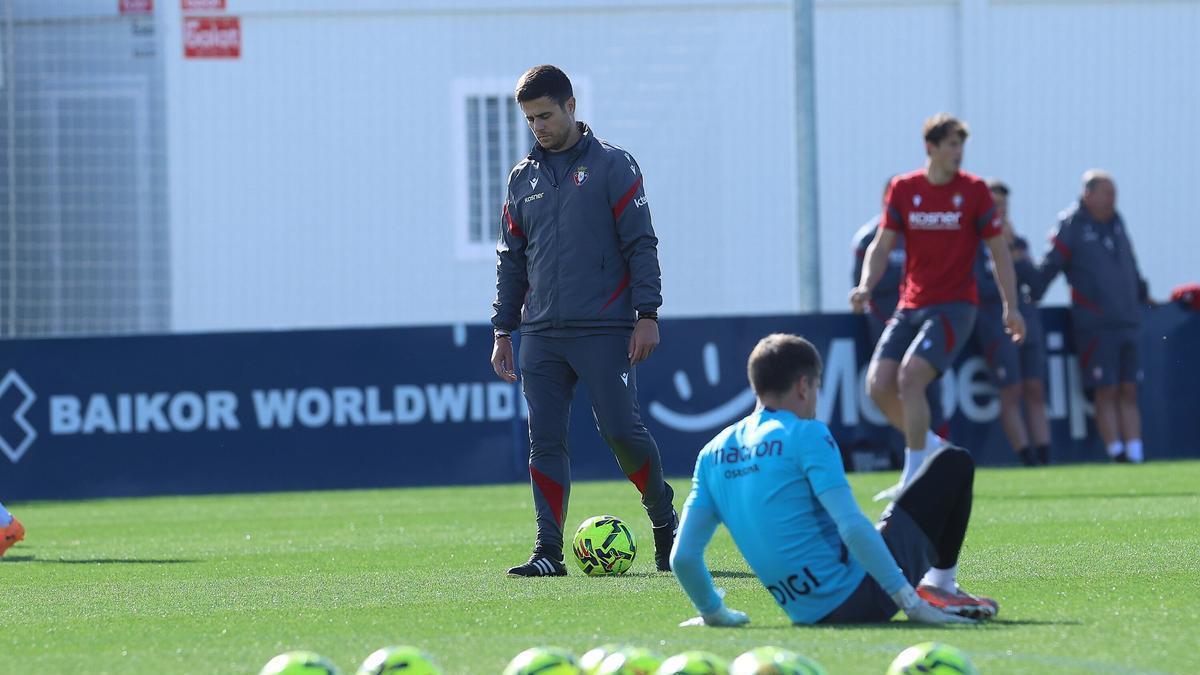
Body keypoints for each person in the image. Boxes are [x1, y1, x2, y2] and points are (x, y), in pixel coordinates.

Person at [669, 334, 997, 627]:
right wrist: (908, 602)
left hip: (802, 612)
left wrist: (714, 612)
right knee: (953, 462)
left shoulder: (711, 453)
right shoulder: (806, 432)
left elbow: (682, 557)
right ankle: (939, 587)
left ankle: (930, 586)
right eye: (817, 387)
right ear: (802, 385)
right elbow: (851, 526)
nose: (816, 398)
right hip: (864, 597)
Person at [490, 65, 677, 577]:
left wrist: (647, 314)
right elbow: (511, 259)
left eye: (545, 115)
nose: (538, 127)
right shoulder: (521, 177)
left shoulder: (614, 166)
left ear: (571, 107)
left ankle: (665, 522)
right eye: (530, 119)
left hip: (604, 329)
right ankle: (548, 552)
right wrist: (504, 329)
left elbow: (641, 243)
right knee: (544, 442)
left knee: (621, 431)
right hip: (541, 335)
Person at [850, 113, 1025, 500]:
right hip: (911, 304)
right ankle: (932, 451)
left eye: (961, 145)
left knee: (911, 379)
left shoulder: (975, 191)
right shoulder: (903, 188)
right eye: (950, 145)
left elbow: (999, 253)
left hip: (955, 306)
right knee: (878, 387)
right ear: (930, 148)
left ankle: (914, 477)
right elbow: (882, 245)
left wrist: (1011, 307)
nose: (957, 153)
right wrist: (866, 285)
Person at [1031, 170, 1149, 463]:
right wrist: (1030, 295)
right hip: (1095, 324)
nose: (1113, 199)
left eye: (1114, 193)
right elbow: (1050, 265)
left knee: (1129, 389)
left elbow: (1131, 264)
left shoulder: (1116, 222)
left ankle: (1136, 453)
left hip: (1127, 319)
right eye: (1107, 192)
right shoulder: (1070, 224)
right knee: (1105, 389)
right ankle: (1116, 452)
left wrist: (1143, 294)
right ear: (1089, 194)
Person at [852, 179, 947, 459]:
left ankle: (940, 450)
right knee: (887, 386)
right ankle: (912, 452)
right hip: (886, 323)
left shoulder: (920, 233)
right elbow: (862, 287)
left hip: (924, 320)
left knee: (926, 385)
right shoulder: (870, 239)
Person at [972, 180, 1053, 466]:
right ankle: (1026, 456)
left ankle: (1044, 455)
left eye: (1004, 205)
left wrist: (1016, 256)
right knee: (1011, 390)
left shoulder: (1018, 242)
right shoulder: (973, 244)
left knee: (1035, 388)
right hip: (996, 323)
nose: (1001, 211)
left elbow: (1037, 284)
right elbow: (979, 288)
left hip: (1027, 320)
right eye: (994, 206)